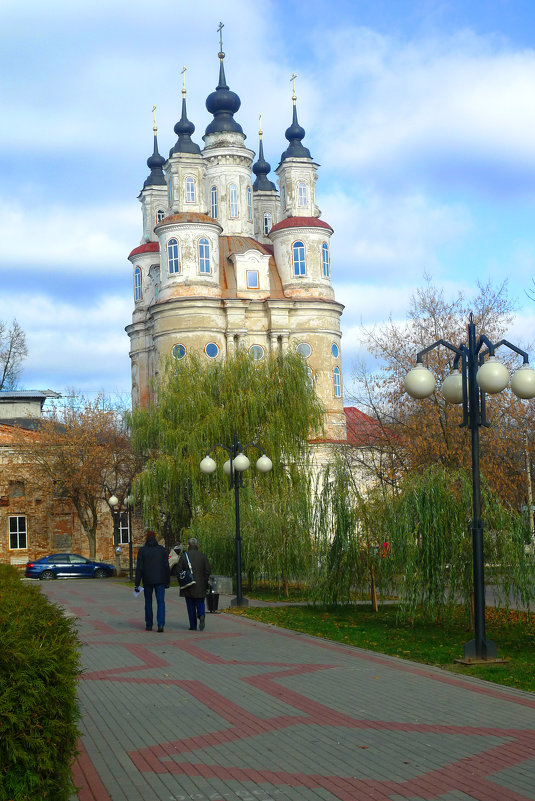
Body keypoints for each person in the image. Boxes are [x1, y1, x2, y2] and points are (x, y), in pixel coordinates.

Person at [134, 531, 170, 633]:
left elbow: (139, 568)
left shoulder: (142, 551)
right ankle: (161, 624)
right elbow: (166, 566)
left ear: (146, 538)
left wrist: (137, 583)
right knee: (161, 602)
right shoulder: (161, 550)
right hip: (160, 580)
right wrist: (167, 581)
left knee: (148, 602)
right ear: (155, 538)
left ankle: (149, 624)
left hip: (147, 580)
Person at [177, 537, 211, 631]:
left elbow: (178, 570)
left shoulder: (184, 556)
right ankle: (201, 615)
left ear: (188, 545)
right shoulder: (202, 556)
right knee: (200, 602)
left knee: (190, 605)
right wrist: (204, 581)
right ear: (197, 545)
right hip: (200, 585)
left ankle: (193, 625)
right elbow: (208, 570)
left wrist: (182, 582)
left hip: (188, 585)